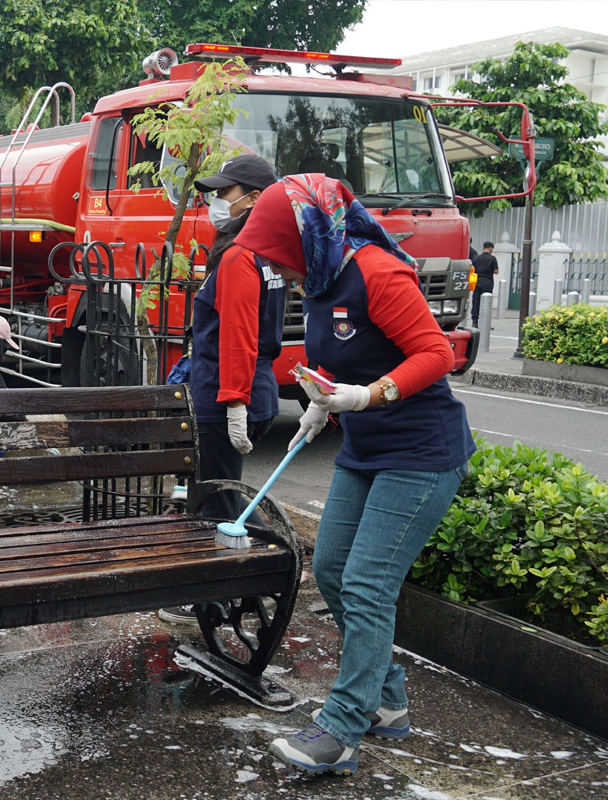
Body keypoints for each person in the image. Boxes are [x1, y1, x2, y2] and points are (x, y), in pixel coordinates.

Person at [240, 174, 474, 776]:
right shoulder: (317, 281)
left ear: (306, 235)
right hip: (364, 450)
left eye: (277, 257)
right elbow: (329, 358)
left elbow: (437, 353)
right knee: (333, 570)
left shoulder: (376, 271)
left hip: (421, 454)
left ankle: (343, 729)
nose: (277, 271)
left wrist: (367, 396)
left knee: (369, 583)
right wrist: (320, 402)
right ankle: (388, 699)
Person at [158, 154, 282, 626]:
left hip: (224, 391)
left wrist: (232, 400)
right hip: (255, 387)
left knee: (218, 500)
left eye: (225, 192)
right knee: (232, 494)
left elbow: (237, 334)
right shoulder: (266, 252)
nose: (215, 201)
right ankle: (248, 586)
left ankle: (217, 597)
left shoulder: (239, 254)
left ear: (253, 198)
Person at [470, 241, 499, 326]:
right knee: (486, 303)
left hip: (477, 282)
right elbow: (496, 271)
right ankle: (485, 323)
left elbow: (472, 269)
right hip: (487, 283)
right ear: (490, 249)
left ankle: (474, 322)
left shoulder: (476, 258)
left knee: (476, 302)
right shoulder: (492, 259)